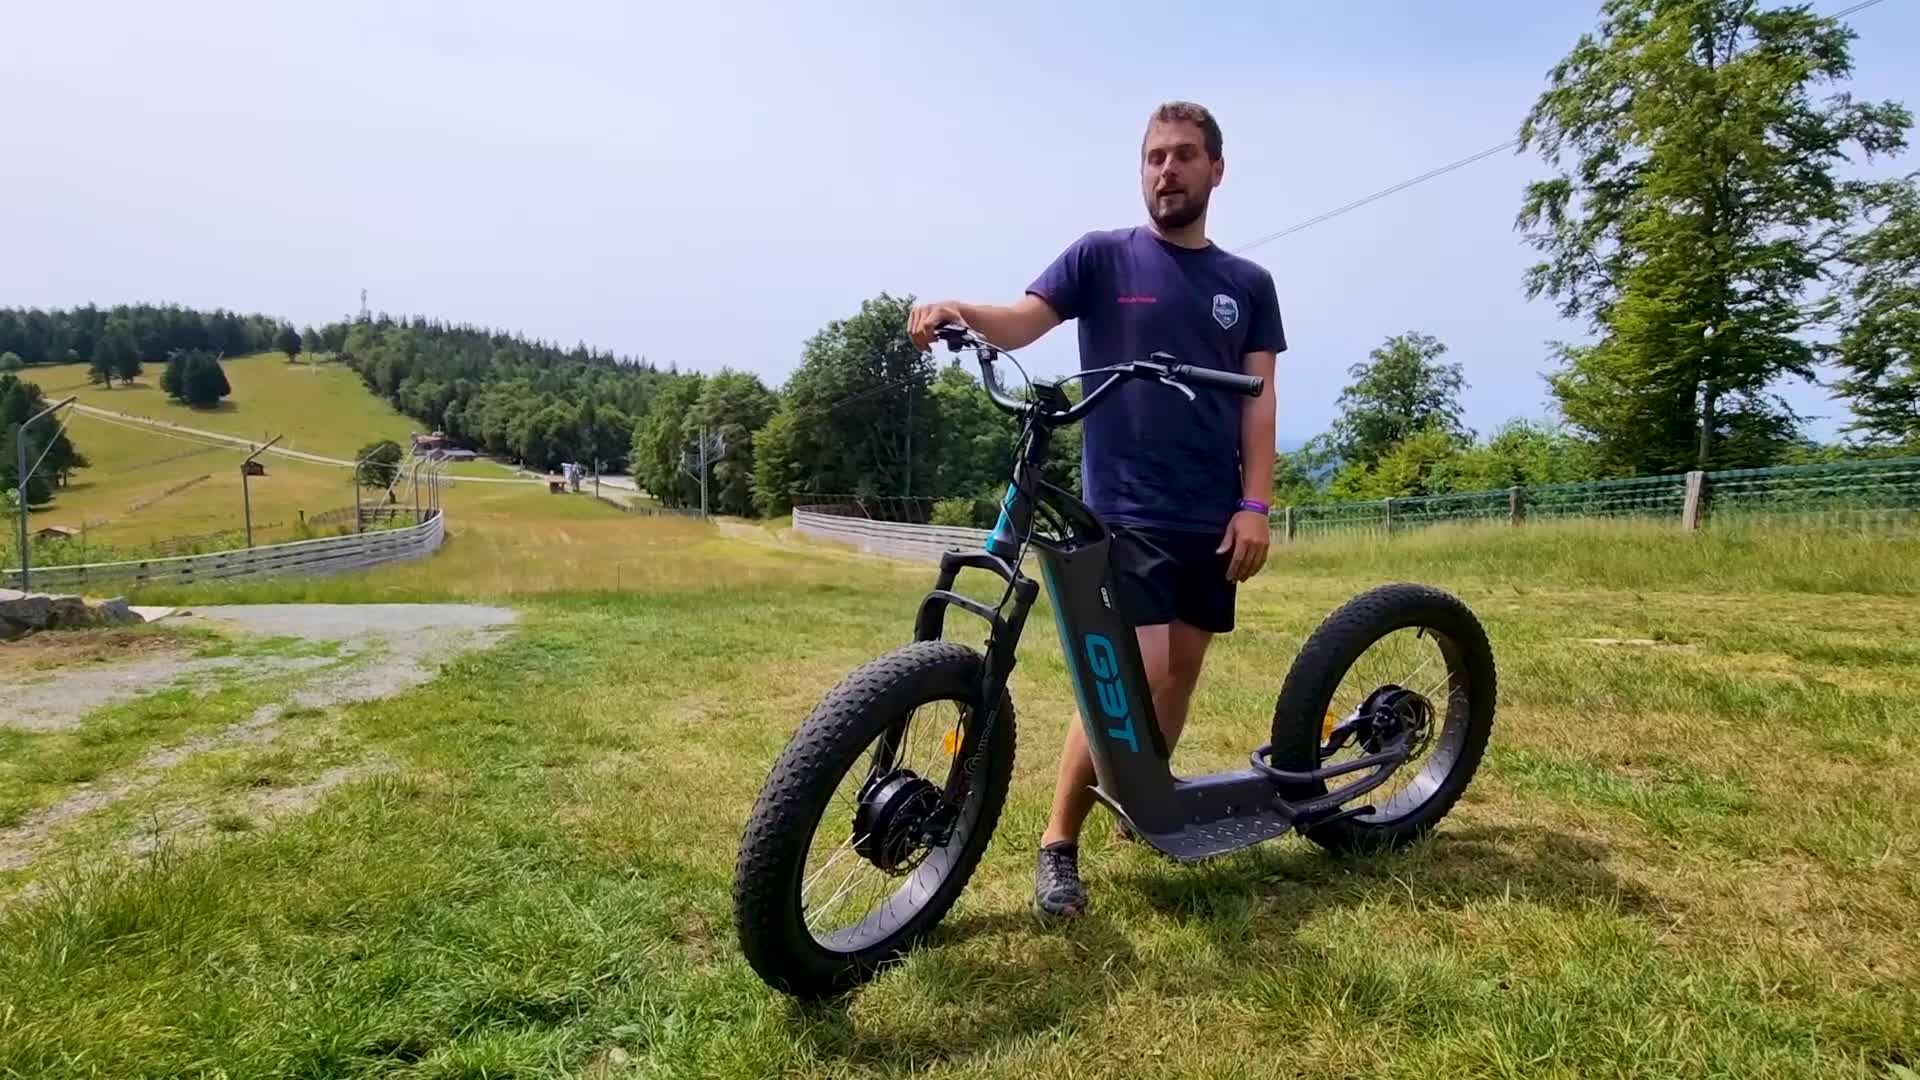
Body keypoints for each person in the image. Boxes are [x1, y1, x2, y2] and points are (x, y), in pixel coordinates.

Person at [908, 100, 1286, 920]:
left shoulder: (1247, 285)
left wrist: (1255, 503)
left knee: (1183, 667)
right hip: (1127, 507)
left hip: (1212, 512)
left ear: (1216, 170)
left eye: (1186, 156)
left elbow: (1260, 403)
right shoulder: (1101, 258)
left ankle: (1146, 802)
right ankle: (1058, 843)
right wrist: (962, 312)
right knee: (1131, 675)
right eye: (1155, 156)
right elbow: (1023, 319)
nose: (1168, 170)